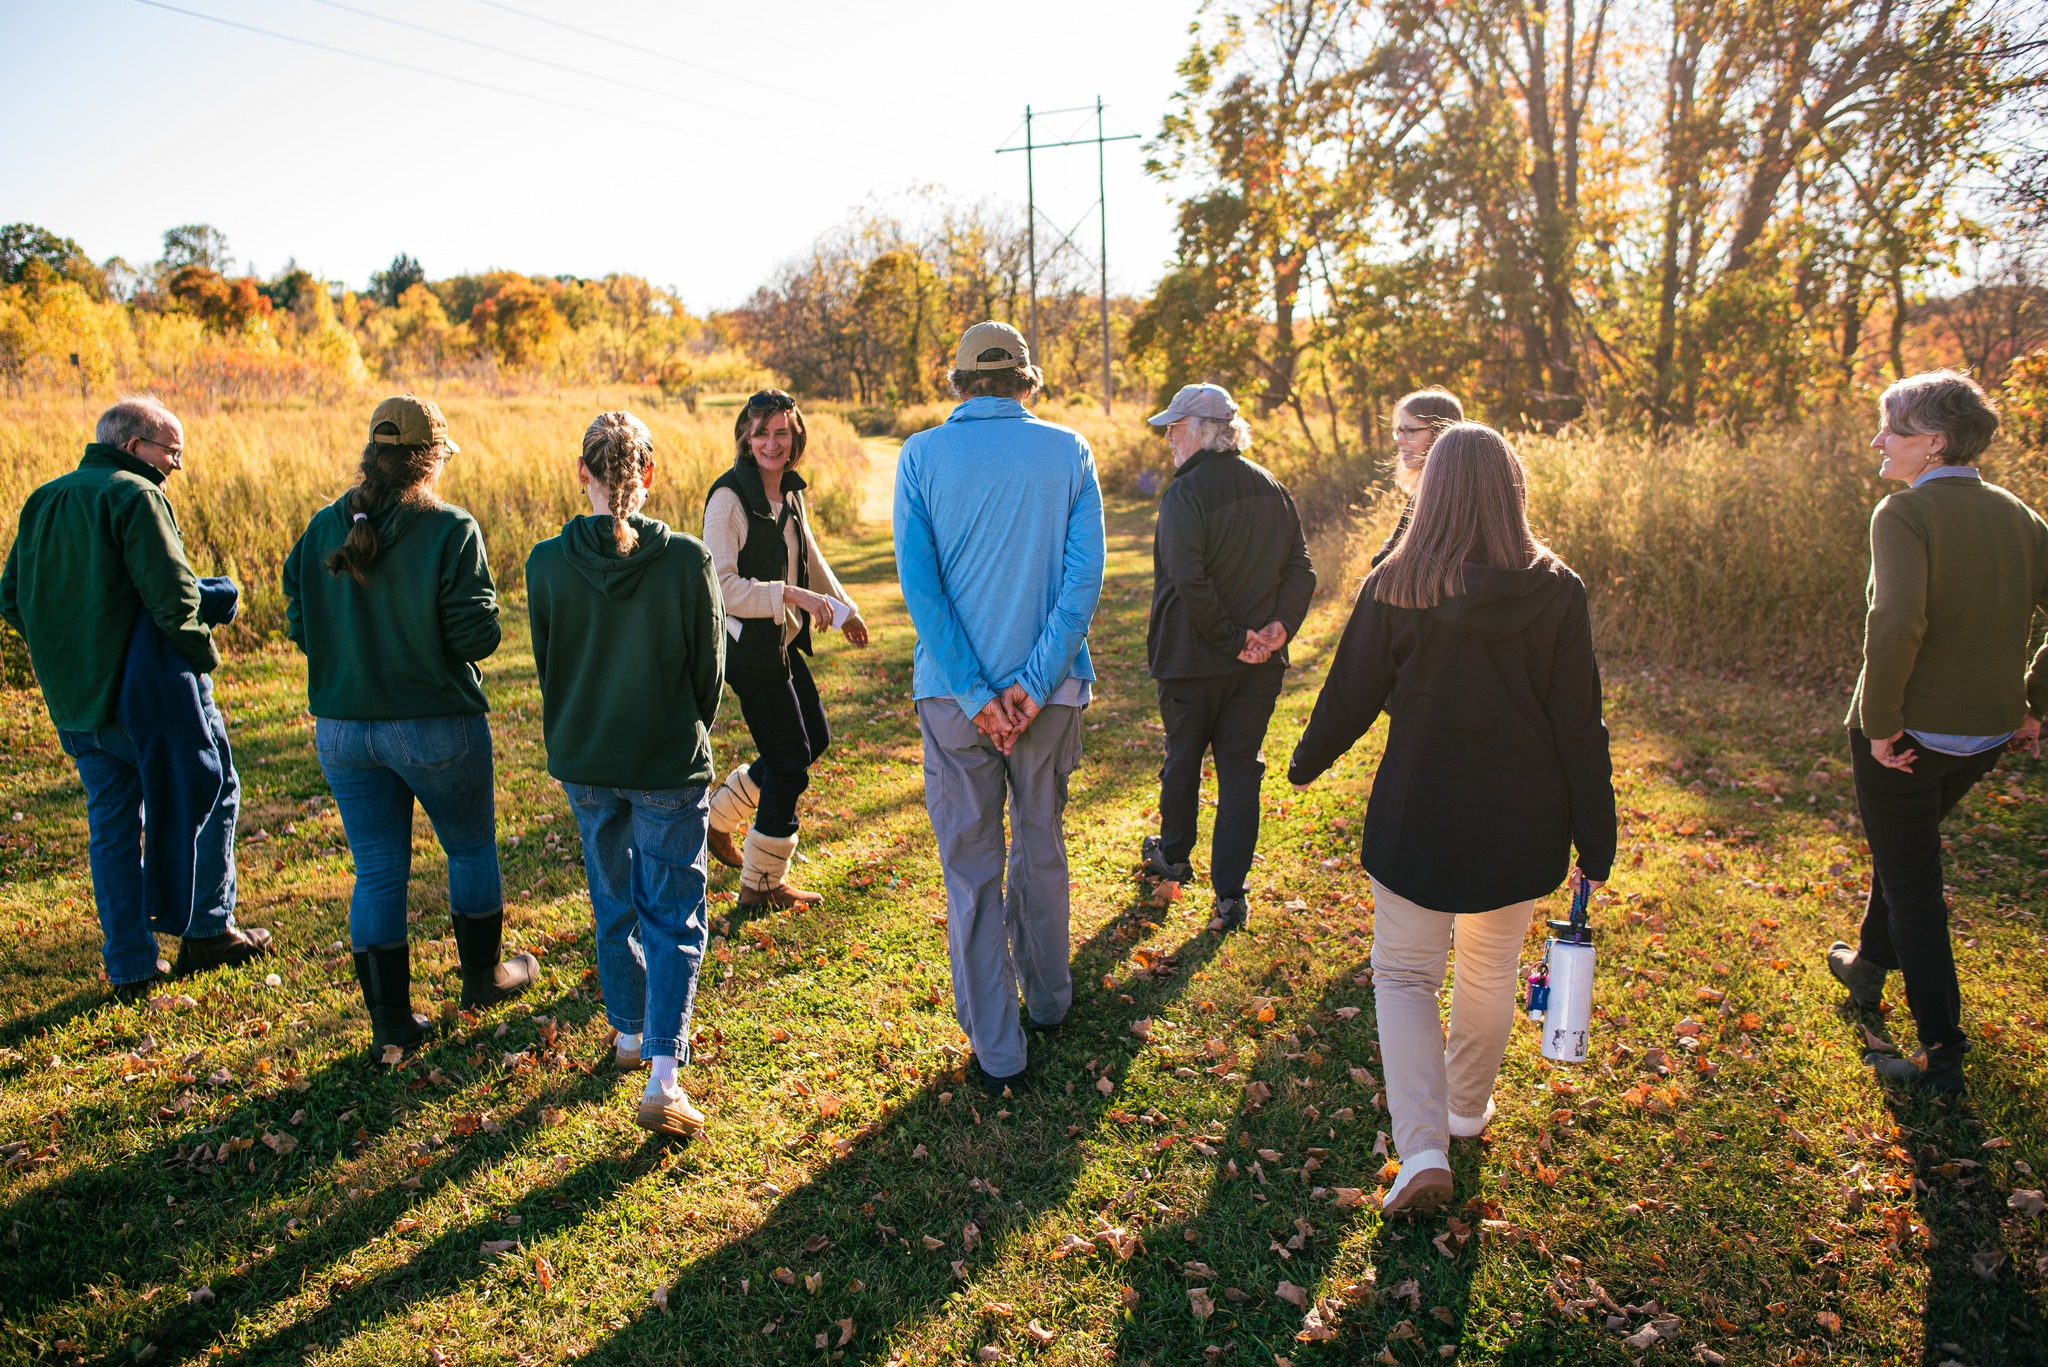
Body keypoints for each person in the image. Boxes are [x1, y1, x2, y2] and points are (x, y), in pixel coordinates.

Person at [1289, 421, 1614, 1215]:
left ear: (1432, 492)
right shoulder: (1557, 590)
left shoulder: (1396, 582)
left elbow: (1350, 693)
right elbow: (1580, 728)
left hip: (1419, 813)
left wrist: (1306, 759)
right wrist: (1595, 839)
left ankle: (1424, 1143)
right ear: (1513, 490)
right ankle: (1466, 1108)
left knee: (1403, 974)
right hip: (1520, 818)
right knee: (1489, 966)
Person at [283, 395, 535, 1064]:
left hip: (343, 727)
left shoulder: (321, 527)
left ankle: (391, 1022)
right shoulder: (450, 527)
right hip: (434, 724)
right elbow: (475, 636)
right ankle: (482, 978)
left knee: (378, 870)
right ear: (433, 460)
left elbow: (300, 620)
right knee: (471, 848)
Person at [1, 396, 269, 1000]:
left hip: (76, 703)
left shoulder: (44, 498)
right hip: (146, 698)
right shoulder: (137, 495)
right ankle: (206, 928)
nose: (177, 463)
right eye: (171, 450)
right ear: (132, 447)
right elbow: (173, 599)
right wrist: (203, 658)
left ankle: (130, 967)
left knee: (114, 826)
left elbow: (11, 597)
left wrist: (68, 649)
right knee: (214, 785)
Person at [896, 321, 1105, 1094]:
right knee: (1042, 844)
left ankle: (999, 1049)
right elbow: (1084, 582)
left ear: (959, 382)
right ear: (1028, 381)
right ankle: (1049, 1001)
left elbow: (922, 588)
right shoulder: (1068, 451)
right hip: (1048, 699)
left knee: (973, 870)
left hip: (954, 700)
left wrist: (981, 692)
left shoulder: (921, 456)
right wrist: (1033, 679)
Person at [1826, 371, 2048, 1095]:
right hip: (1983, 736)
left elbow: (1895, 621)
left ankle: (1941, 1055)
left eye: (1891, 427)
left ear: (1934, 443)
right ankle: (1866, 964)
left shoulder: (1903, 515)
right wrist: (2031, 702)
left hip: (1909, 736)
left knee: (1913, 879)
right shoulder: (2022, 516)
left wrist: (1883, 725)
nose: (1878, 439)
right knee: (1905, 850)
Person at [528, 411, 725, 1138]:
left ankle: (632, 1031)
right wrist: (682, 725)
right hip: (665, 758)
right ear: (648, 475)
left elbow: (551, 665)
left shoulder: (545, 562)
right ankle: (662, 1074)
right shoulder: (687, 561)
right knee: (672, 910)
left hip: (586, 756)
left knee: (615, 895)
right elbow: (709, 675)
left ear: (582, 472)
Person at [1140, 383, 1316, 933]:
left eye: (1175, 425)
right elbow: (1302, 571)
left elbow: (1188, 579)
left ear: (1203, 429)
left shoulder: (1184, 495)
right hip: (1256, 665)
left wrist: (1238, 637)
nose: (1168, 435)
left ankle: (1173, 857)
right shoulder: (1272, 487)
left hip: (1195, 660)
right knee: (1241, 771)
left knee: (1185, 759)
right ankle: (1230, 894)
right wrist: (1274, 632)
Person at [701, 390, 867, 908]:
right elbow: (720, 586)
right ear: (746, 439)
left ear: (795, 437)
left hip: (785, 642)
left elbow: (809, 555)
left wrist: (844, 609)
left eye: (781, 432)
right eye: (761, 433)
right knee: (790, 760)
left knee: (811, 738)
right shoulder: (728, 498)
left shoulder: (789, 492)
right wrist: (789, 595)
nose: (772, 443)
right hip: (750, 651)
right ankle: (762, 884)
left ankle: (720, 815)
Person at [1375, 388, 1465, 566]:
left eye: (1410, 430)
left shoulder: (1447, 497)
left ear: (1441, 432)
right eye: (1399, 430)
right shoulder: (1426, 491)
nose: (1400, 440)